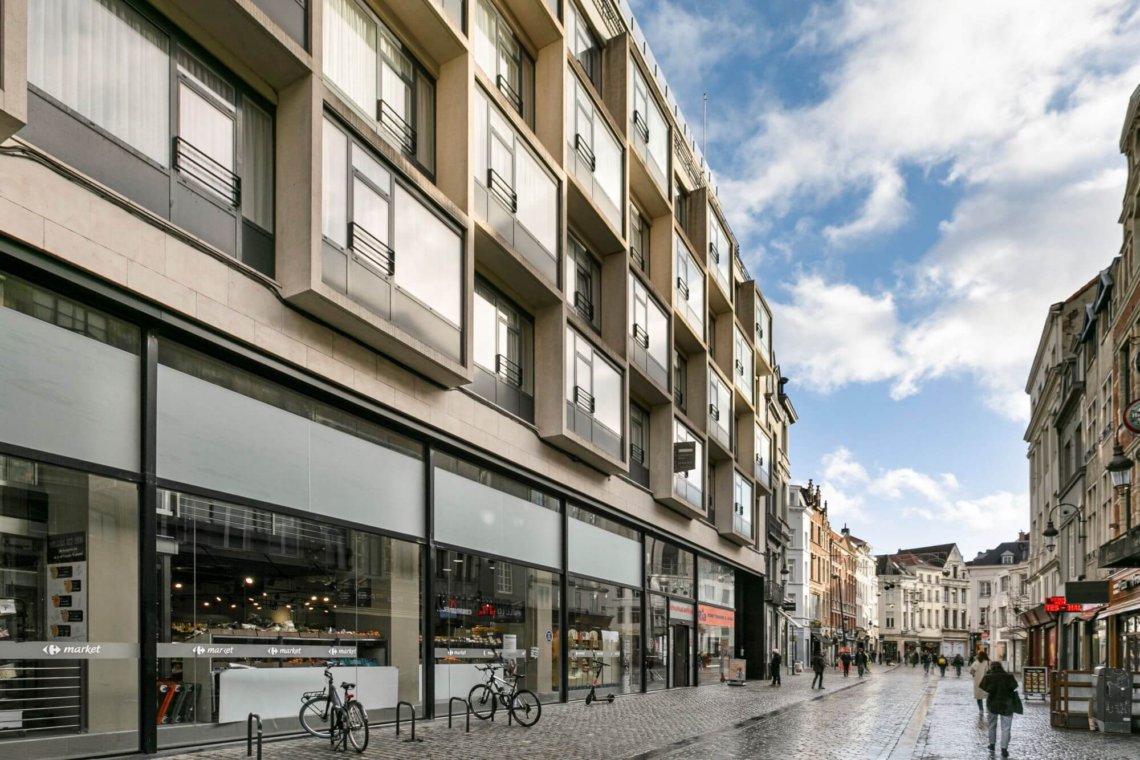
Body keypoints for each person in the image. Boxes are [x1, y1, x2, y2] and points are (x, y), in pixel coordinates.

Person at [980, 661, 1020, 757]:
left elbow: (983, 687)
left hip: (992, 704)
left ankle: (992, 744)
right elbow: (1014, 687)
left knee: (992, 725)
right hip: (1007, 704)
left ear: (991, 668)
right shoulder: (1009, 677)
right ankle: (1004, 749)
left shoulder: (988, 677)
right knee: (1006, 728)